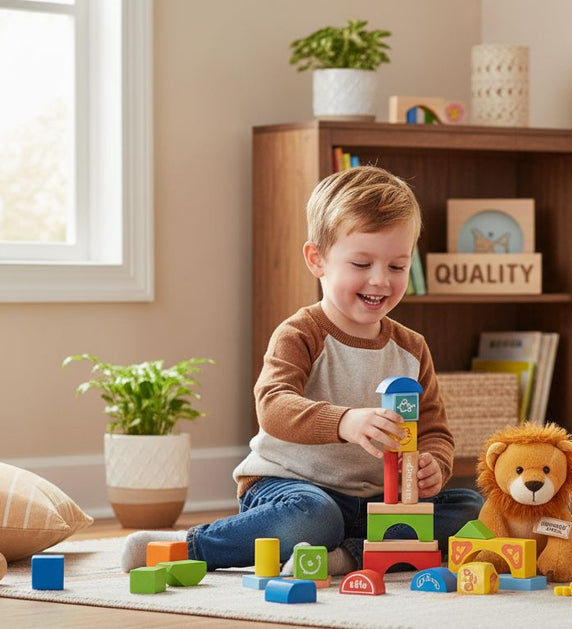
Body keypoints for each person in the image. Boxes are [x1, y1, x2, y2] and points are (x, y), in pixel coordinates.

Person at [120, 166, 483, 575]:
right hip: (291, 490)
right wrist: (344, 421)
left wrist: (434, 462)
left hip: (379, 503)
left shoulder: (412, 348)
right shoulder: (301, 333)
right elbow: (273, 407)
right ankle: (189, 546)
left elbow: (434, 431)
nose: (380, 280)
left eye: (397, 267)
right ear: (317, 260)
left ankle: (346, 556)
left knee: (471, 508)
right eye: (362, 263)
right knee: (314, 518)